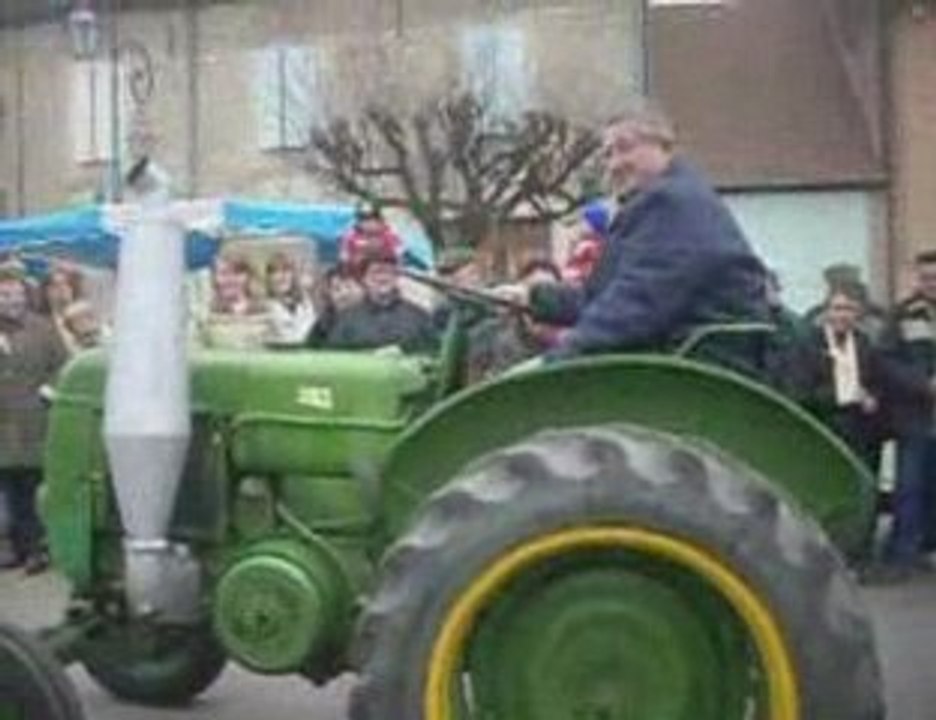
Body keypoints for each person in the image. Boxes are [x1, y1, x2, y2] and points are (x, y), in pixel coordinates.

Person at [527, 104, 769, 362]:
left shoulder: (671, 203)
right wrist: (533, 297)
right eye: (607, 155)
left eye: (625, 148)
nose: (614, 165)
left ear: (665, 147)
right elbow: (603, 298)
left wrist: (558, 359)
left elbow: (637, 302)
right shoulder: (664, 203)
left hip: (695, 360)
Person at [0, 262, 67, 574]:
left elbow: (63, 366)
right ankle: (17, 548)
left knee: (35, 488)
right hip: (4, 424)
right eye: (4, 295)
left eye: (16, 294)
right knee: (11, 490)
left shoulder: (43, 327)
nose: (12, 300)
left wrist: (48, 392)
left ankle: (39, 549)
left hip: (35, 420)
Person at [876, 251, 936, 578]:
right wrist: (924, 385)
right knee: (910, 486)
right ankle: (904, 554)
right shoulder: (902, 316)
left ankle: (928, 546)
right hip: (916, 418)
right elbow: (886, 362)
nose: (932, 284)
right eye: (927, 278)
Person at [325, 250, 436, 354]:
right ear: (364, 278)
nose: (382, 278)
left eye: (388, 272)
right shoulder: (346, 319)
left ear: (396, 277)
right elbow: (334, 359)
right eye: (376, 272)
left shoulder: (419, 317)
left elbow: (433, 354)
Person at [198, 254, 272, 350]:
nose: (230, 279)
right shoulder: (206, 312)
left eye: (237, 273)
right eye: (223, 273)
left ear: (248, 276)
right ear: (215, 277)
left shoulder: (266, 309)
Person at [264, 252, 317, 346]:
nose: (282, 276)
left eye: (286, 271)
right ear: (269, 278)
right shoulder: (264, 307)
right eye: (276, 272)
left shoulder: (305, 302)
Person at [306, 264, 364, 347]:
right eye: (337, 289)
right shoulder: (321, 327)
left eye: (348, 286)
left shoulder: (375, 318)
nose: (344, 293)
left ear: (361, 288)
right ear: (330, 295)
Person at [339, 203, 403, 275]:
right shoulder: (351, 235)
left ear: (380, 220)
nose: (368, 224)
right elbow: (345, 255)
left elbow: (397, 254)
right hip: (357, 273)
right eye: (363, 220)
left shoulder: (389, 234)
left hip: (383, 272)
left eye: (372, 219)